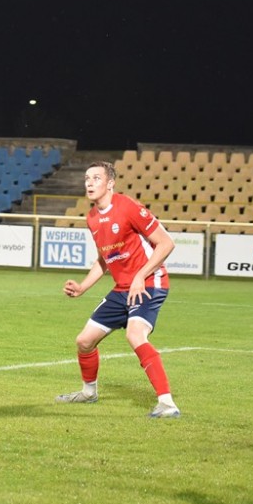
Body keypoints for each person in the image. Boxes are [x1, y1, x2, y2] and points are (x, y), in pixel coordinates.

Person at [56, 160, 181, 419]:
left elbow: (166, 243)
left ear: (110, 183)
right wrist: (82, 287)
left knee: (135, 335)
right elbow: (105, 259)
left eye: (96, 178)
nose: (89, 183)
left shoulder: (128, 207)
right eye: (87, 178)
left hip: (150, 282)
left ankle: (167, 404)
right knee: (84, 341)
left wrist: (140, 276)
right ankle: (88, 393)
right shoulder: (92, 218)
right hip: (123, 288)